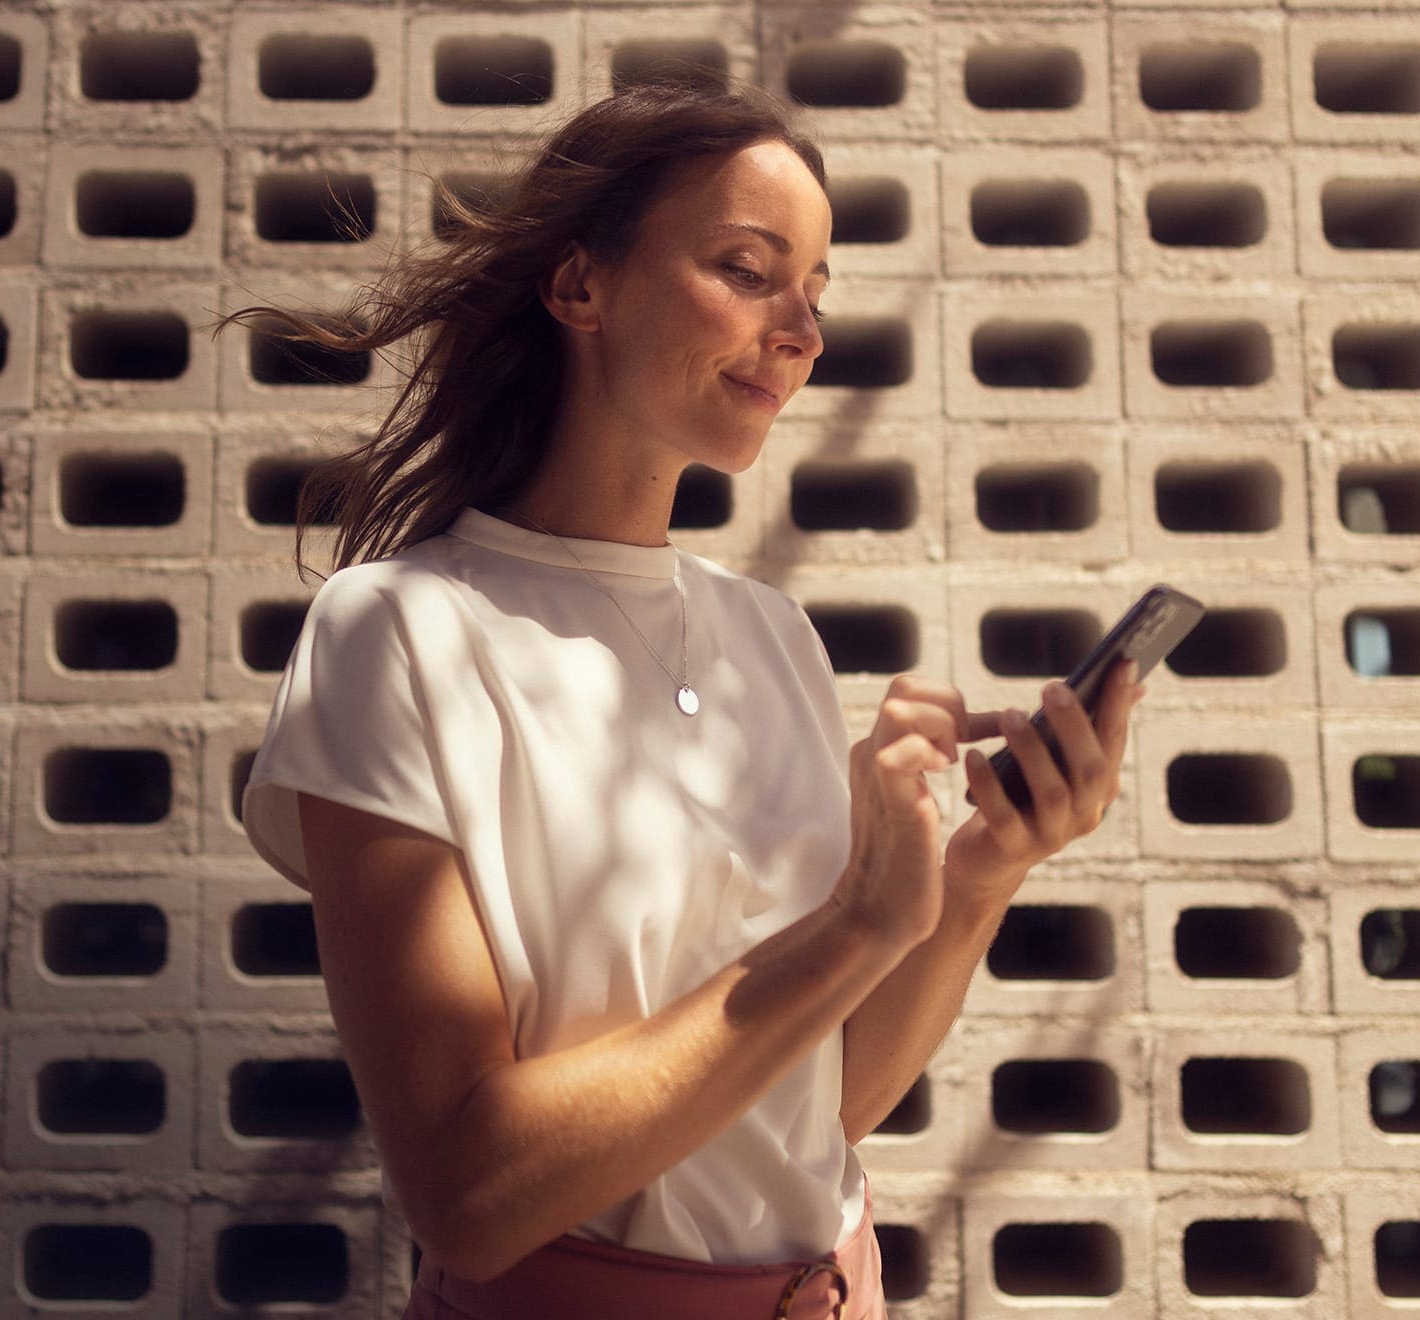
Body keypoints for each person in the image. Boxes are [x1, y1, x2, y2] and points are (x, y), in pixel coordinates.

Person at [225, 71, 1141, 1320]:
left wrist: (978, 870)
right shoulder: (396, 634)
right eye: (749, 269)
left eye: (815, 291)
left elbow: (816, 1104)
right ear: (580, 284)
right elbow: (468, 1193)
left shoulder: (772, 636)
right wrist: (858, 927)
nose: (802, 331)